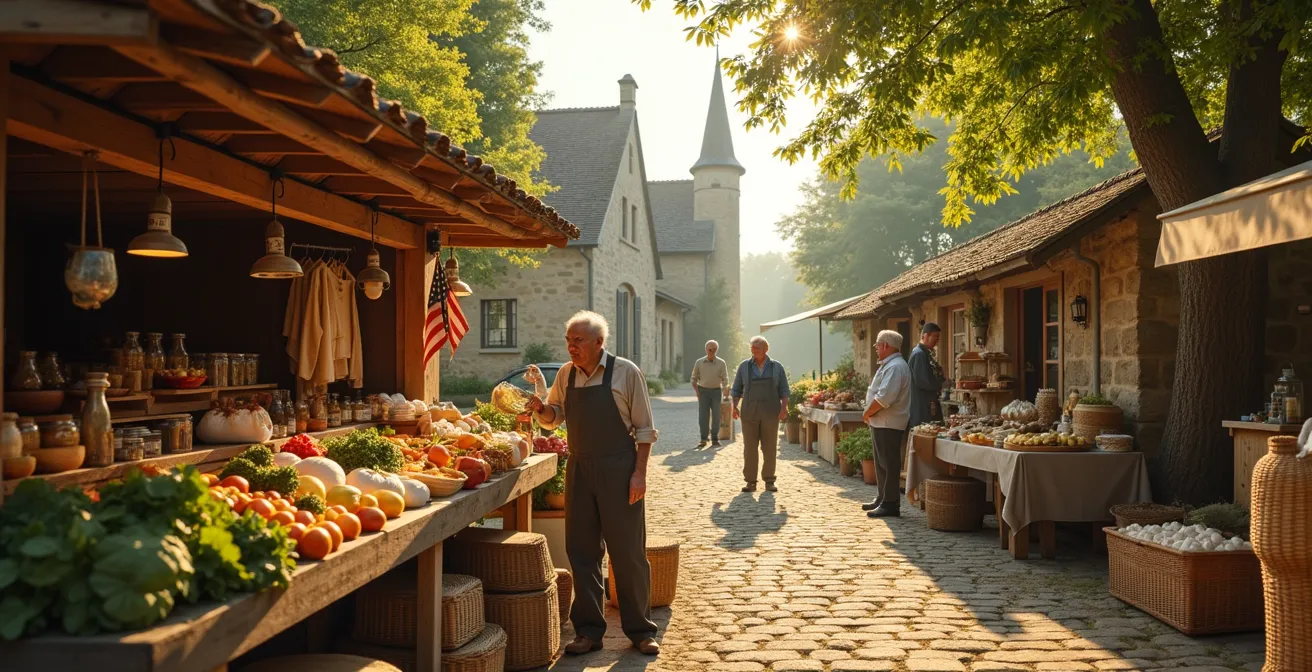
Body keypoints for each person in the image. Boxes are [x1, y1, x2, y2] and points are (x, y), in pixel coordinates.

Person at [526, 311, 660, 656]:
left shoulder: (626, 372)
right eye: (568, 340)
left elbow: (645, 430)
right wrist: (541, 408)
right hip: (580, 467)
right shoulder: (567, 375)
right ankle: (588, 631)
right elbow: (555, 418)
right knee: (582, 551)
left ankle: (641, 630)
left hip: (620, 467)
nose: (571, 347)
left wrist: (639, 473)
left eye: (578, 340)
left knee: (627, 552)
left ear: (599, 342)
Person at [860, 330, 912, 518]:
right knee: (881, 463)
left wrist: (867, 412)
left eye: (876, 344)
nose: (874, 347)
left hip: (888, 422)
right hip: (881, 421)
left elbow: (884, 398)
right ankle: (882, 497)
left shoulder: (895, 367)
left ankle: (890, 503)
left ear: (885, 346)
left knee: (889, 463)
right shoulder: (889, 364)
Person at [731, 336, 790, 493]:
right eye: (752, 347)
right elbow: (736, 389)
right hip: (749, 412)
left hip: (771, 412)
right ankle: (750, 481)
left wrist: (784, 408)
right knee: (749, 448)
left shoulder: (777, 367)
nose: (753, 350)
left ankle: (769, 481)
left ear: (766, 349)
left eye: (757, 347)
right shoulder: (744, 367)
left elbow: (784, 390)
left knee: (769, 447)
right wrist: (734, 406)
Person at [691, 340, 730, 448]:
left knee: (716, 415)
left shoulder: (721, 363)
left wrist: (726, 388)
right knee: (703, 416)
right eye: (709, 348)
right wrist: (697, 392)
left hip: (716, 391)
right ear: (706, 349)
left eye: (714, 348)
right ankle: (703, 438)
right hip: (703, 391)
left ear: (717, 350)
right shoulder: (699, 362)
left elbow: (725, 378)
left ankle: (714, 438)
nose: (711, 350)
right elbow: (693, 378)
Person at [908, 323, 945, 429]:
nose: (938, 340)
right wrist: (940, 385)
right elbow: (922, 381)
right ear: (926, 336)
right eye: (936, 336)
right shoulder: (919, 354)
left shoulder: (925, 353)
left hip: (928, 402)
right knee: (924, 433)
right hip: (923, 405)